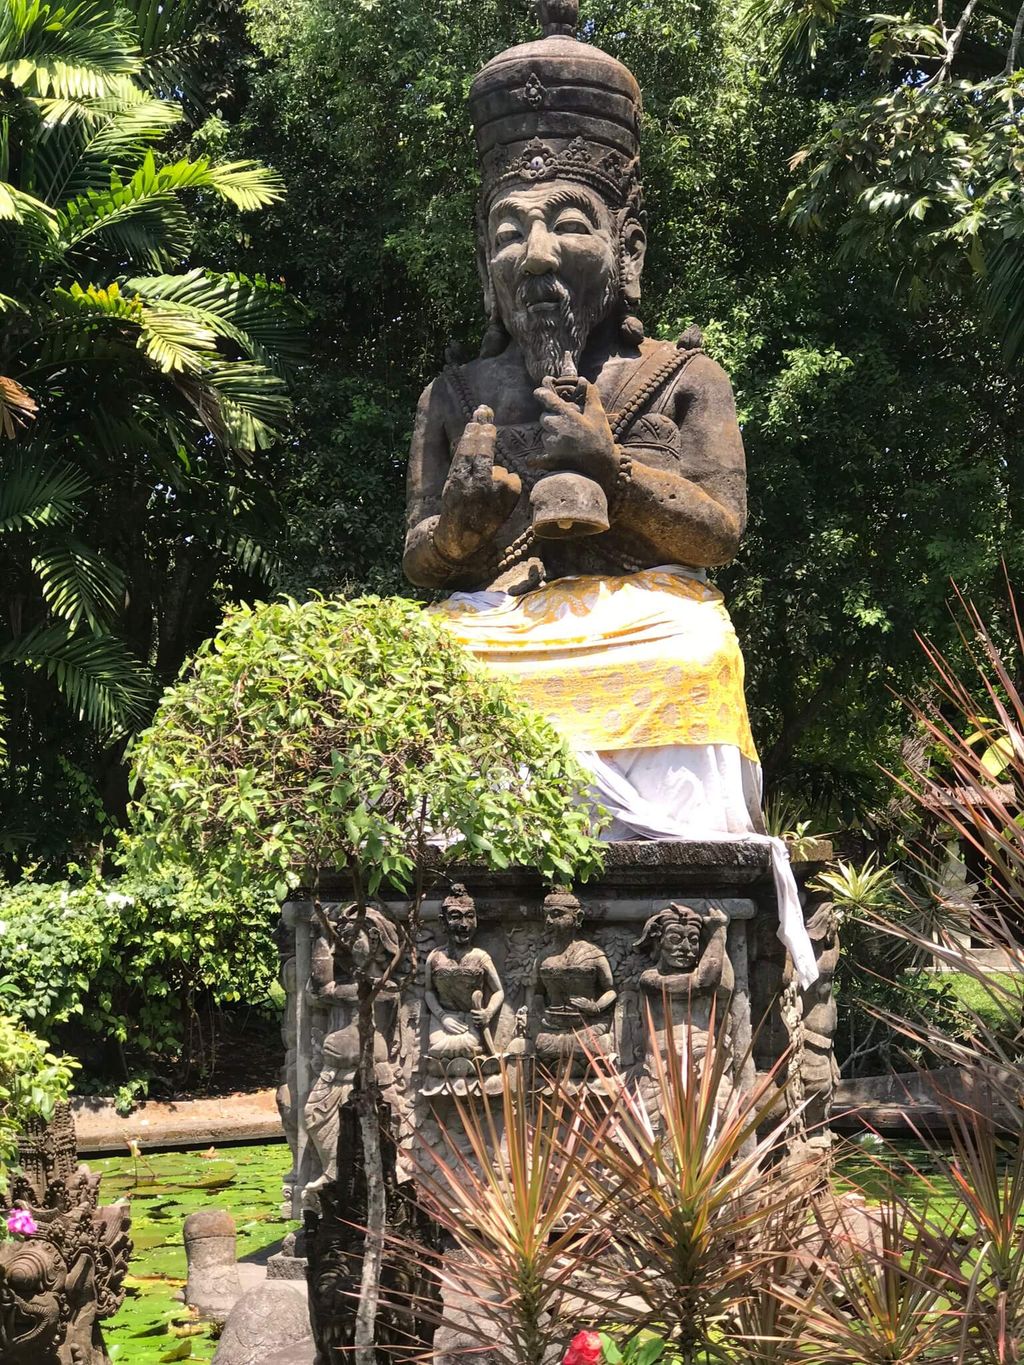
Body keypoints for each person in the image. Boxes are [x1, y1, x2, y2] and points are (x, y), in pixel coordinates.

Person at [403, 0, 816, 990]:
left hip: (646, 616)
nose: (536, 254)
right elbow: (420, 555)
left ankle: (678, 860)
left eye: (569, 224)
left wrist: (613, 472)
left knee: (693, 651)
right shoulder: (455, 395)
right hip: (506, 619)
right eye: (509, 231)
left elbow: (720, 534)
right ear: (482, 257)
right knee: (430, 661)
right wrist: (460, 526)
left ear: (627, 248)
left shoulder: (681, 375)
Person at [424, 885, 505, 1077]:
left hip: (471, 1022)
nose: (464, 924)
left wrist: (487, 1013)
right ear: (443, 922)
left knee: (469, 1046)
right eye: (455, 917)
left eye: (470, 916)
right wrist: (443, 1017)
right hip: (444, 1022)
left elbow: (498, 991)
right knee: (437, 1048)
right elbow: (429, 991)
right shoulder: (435, 957)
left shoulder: (480, 957)